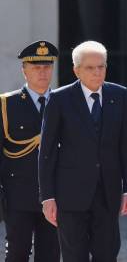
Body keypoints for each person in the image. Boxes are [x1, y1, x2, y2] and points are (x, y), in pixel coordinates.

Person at [39, 40, 127, 261]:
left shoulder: (119, 95)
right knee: (75, 255)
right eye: (90, 68)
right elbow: (47, 152)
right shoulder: (59, 99)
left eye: (101, 66)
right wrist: (47, 197)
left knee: (107, 254)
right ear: (76, 70)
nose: (97, 72)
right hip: (70, 195)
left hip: (108, 193)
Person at [0, 40, 60, 261]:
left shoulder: (64, 102)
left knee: (50, 254)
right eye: (36, 67)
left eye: (46, 67)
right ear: (24, 70)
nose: (42, 72)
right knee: (17, 253)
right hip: (17, 194)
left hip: (55, 196)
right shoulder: (7, 105)